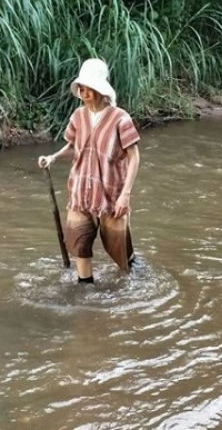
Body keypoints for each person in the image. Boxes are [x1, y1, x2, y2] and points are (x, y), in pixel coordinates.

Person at [38, 58, 141, 284]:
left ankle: (132, 267)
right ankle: (85, 289)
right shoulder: (78, 116)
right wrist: (53, 157)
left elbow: (134, 157)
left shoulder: (120, 118)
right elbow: (74, 145)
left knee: (119, 248)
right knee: (78, 242)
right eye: (81, 88)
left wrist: (126, 194)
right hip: (80, 193)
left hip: (112, 195)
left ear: (100, 89)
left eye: (88, 88)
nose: (84, 92)